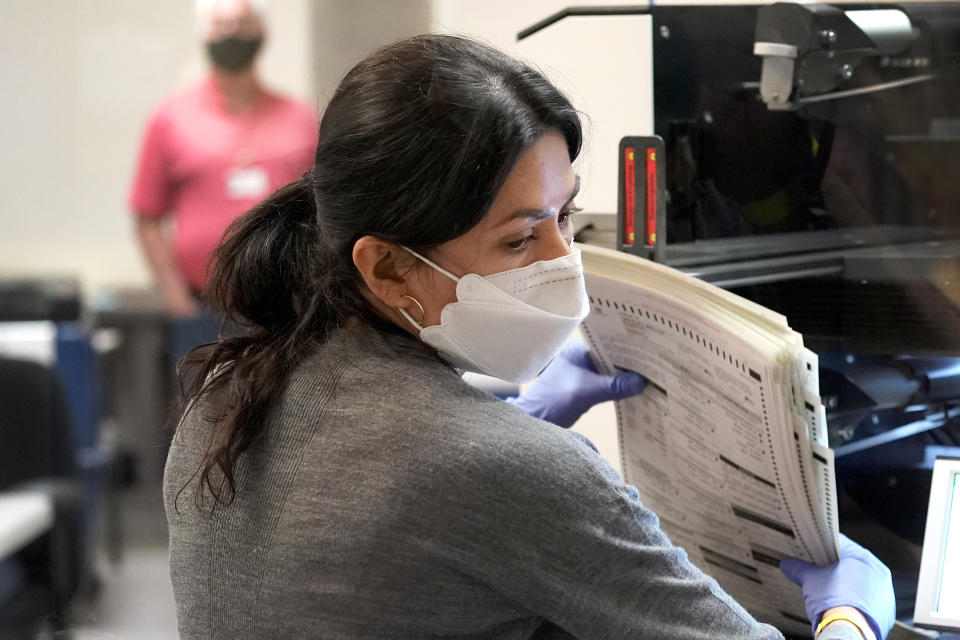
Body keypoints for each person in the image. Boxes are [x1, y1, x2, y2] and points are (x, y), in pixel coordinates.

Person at [163, 34, 895, 640]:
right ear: (387, 266)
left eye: (565, 218)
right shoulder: (507, 471)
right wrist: (849, 618)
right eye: (518, 241)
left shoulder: (223, 401)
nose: (562, 264)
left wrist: (497, 437)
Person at [128, 0, 316, 357]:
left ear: (261, 32)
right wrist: (176, 299)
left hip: (286, 308)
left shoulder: (301, 119)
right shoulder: (170, 118)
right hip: (200, 310)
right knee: (205, 410)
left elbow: (322, 208)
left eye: (241, 23)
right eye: (220, 24)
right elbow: (146, 218)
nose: (231, 33)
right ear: (203, 34)